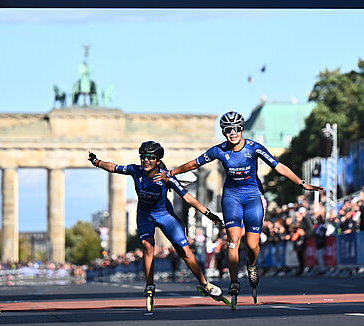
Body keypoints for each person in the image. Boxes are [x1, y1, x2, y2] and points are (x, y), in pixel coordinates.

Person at [154, 111, 323, 304]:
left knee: (252, 245)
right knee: (232, 240)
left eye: (235, 129)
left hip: (253, 197)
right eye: (227, 130)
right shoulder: (219, 150)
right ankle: (234, 281)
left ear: (242, 130)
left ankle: (251, 265)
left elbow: (279, 167)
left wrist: (302, 183)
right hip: (232, 198)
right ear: (224, 132)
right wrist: (170, 172)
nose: (232, 133)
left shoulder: (254, 148)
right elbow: (194, 163)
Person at [88, 141, 227, 307]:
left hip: (164, 215)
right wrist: (97, 162)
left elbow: (187, 197)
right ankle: (149, 285)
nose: (145, 160)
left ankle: (206, 284)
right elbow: (113, 167)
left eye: (150, 157)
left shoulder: (165, 176)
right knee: (148, 246)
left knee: (184, 251)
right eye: (143, 157)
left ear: (158, 160)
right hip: (145, 215)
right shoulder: (135, 170)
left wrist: (208, 213)